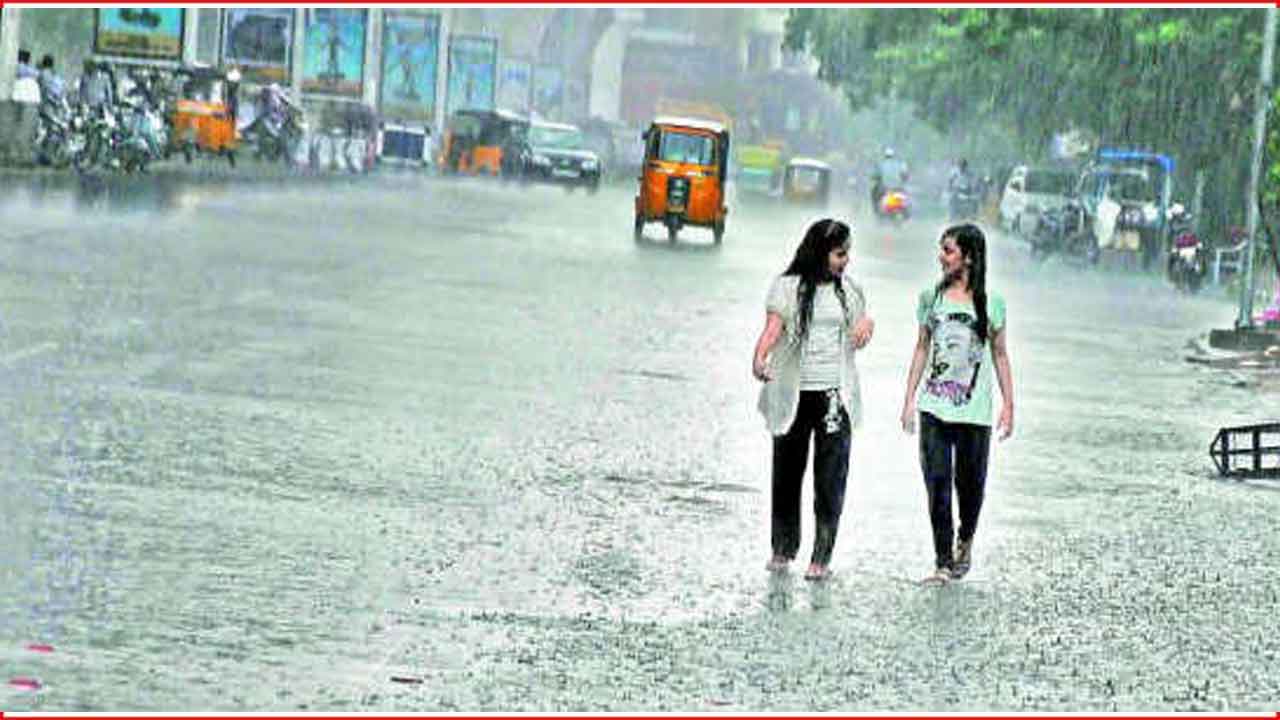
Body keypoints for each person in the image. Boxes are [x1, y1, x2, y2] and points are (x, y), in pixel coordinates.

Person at [753, 218, 875, 581]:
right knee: (787, 474)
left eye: (847, 253)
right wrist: (759, 357)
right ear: (820, 252)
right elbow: (772, 330)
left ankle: (821, 556)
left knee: (830, 478)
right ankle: (782, 548)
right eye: (840, 254)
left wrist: (867, 329)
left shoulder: (849, 291)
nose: (845, 261)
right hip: (793, 394)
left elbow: (860, 326)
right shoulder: (788, 288)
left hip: (835, 397)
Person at [899, 223, 1014, 585]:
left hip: (974, 412)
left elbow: (1000, 354)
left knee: (970, 486)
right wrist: (908, 400)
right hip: (934, 406)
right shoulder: (929, 298)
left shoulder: (992, 304)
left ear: (968, 257)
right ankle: (943, 562)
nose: (941, 256)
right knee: (936, 483)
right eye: (941, 249)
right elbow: (921, 348)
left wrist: (1009, 405)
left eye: (948, 250)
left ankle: (966, 538)